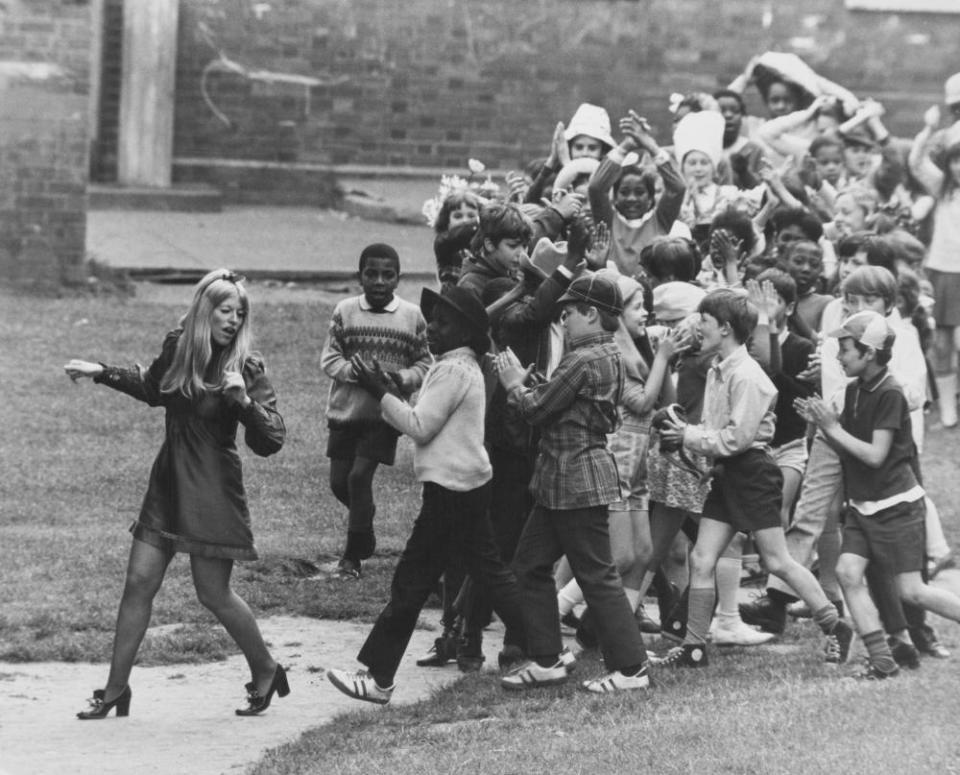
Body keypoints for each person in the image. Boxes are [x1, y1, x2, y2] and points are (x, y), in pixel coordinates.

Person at [64, 269, 288, 718]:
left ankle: (266, 668)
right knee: (138, 584)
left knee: (213, 594)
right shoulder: (179, 348)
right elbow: (153, 388)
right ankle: (114, 690)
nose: (232, 320)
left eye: (239, 313)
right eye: (225, 310)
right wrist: (100, 372)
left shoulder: (245, 366)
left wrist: (242, 401)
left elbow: (272, 440)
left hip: (212, 488)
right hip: (168, 482)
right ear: (205, 310)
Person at [326, 286, 532, 704]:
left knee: (411, 582)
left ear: (465, 332)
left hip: (450, 493)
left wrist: (379, 391)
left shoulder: (453, 370)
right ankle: (547, 650)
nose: (431, 329)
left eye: (441, 322)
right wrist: (388, 388)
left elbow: (420, 426)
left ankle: (378, 678)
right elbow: (427, 416)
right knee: (492, 575)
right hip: (467, 487)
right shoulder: (460, 365)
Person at [653, 289, 852, 668]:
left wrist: (688, 437)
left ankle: (834, 625)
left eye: (705, 322)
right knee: (702, 557)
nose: (699, 328)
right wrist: (699, 449)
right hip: (728, 473)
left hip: (753, 473)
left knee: (777, 561)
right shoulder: (718, 368)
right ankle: (694, 646)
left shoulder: (747, 375)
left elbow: (737, 437)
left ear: (725, 328)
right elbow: (719, 430)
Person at [494, 274, 652, 693]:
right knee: (530, 565)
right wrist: (531, 387)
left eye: (568, 313)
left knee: (597, 576)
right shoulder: (607, 354)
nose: (562, 320)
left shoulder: (582, 359)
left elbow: (536, 411)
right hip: (564, 480)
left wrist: (513, 383)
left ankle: (631, 668)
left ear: (592, 313)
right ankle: (547, 659)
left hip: (574, 479)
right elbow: (562, 404)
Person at [798, 311, 960, 678]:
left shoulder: (890, 393)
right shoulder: (854, 391)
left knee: (913, 591)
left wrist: (831, 427)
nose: (839, 356)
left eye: (845, 348)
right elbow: (847, 448)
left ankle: (888, 655)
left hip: (896, 507)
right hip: (863, 507)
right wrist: (821, 426)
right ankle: (883, 661)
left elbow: (874, 455)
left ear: (869, 353)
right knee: (847, 572)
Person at [321, 243, 431, 579]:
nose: (380, 281)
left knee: (359, 477)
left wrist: (399, 379)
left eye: (388, 274)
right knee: (340, 482)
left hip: (385, 414)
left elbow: (425, 362)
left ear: (398, 279)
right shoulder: (345, 310)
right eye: (372, 273)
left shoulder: (412, 316)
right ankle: (364, 523)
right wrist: (357, 374)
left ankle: (351, 558)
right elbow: (329, 358)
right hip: (345, 411)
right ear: (360, 276)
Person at [908, 104, 960, 428]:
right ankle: (948, 410)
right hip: (942, 269)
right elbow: (915, 162)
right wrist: (928, 130)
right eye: (955, 159)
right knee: (941, 341)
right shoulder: (942, 188)